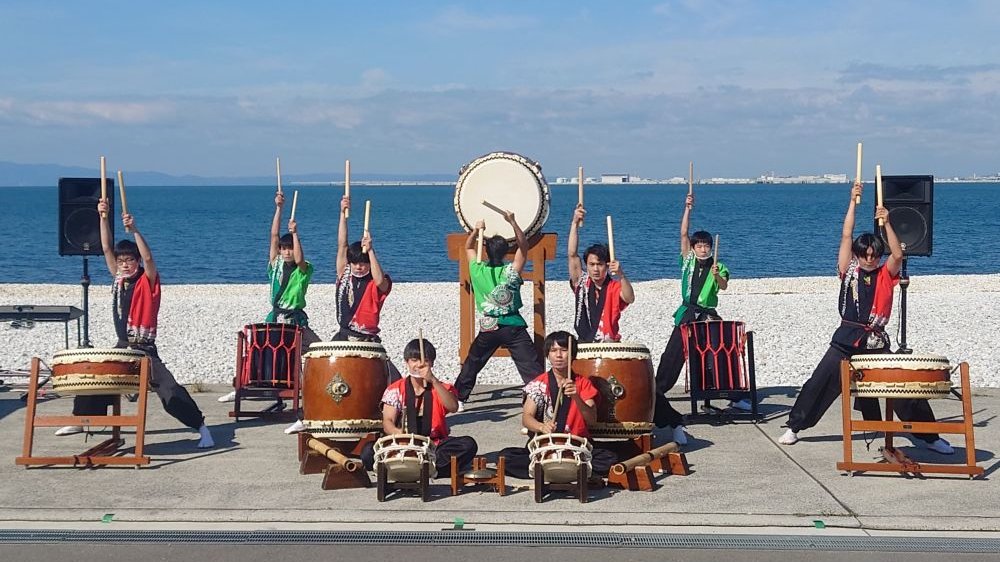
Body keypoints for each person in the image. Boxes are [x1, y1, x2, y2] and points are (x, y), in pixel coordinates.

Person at [778, 182, 953, 454]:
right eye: (864, 254)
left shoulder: (886, 273)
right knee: (819, 382)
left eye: (873, 254)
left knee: (902, 383)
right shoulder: (848, 271)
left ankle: (928, 436)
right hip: (846, 340)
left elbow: (898, 253)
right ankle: (795, 426)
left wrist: (886, 223)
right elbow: (846, 236)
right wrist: (852, 202)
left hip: (875, 341)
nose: (869, 258)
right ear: (858, 255)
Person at [56, 199, 214, 449]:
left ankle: (202, 428)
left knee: (169, 390)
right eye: (122, 261)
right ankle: (81, 421)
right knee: (96, 377)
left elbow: (149, 257)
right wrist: (104, 217)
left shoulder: (147, 281)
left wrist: (135, 230)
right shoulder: (119, 279)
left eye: (129, 259)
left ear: (136, 261)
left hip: (144, 349)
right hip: (122, 346)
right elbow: (106, 248)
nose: (124, 264)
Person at [285, 195, 398, 433]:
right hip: (343, 336)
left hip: (368, 341)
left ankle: (386, 418)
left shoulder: (378, 283)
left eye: (363, 263)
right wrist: (342, 213)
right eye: (356, 263)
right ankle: (306, 416)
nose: (359, 266)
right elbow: (342, 246)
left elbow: (378, 277)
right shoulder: (343, 275)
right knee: (323, 373)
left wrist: (371, 250)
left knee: (394, 383)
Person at [652, 192, 744, 446]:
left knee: (719, 354)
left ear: (711, 248)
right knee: (673, 354)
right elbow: (682, 234)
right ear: (693, 248)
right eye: (699, 245)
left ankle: (734, 394)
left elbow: (723, 287)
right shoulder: (688, 262)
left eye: (706, 246)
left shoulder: (719, 265)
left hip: (708, 315)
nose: (703, 249)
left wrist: (717, 275)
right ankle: (658, 390)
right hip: (687, 313)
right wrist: (687, 209)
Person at [219, 189, 318, 403]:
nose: (286, 252)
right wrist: (279, 208)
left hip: (295, 319)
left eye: (289, 249)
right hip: (275, 318)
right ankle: (242, 386)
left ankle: (311, 388)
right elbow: (273, 236)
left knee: (318, 351)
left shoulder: (304, 269)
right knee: (262, 352)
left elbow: (300, 258)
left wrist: (294, 234)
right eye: (284, 249)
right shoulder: (276, 265)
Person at [499, 331, 617, 479]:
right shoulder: (539, 383)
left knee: (608, 458)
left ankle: (546, 471)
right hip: (545, 447)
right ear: (548, 355)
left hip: (575, 446)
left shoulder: (583, 383)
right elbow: (527, 417)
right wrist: (542, 427)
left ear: (573, 354)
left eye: (564, 350)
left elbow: (591, 419)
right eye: (553, 351)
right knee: (505, 457)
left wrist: (576, 397)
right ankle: (570, 472)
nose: (559, 355)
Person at [453, 213, 544, 404]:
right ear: (505, 253)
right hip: (512, 325)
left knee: (473, 361)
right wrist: (513, 222)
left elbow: (468, 247)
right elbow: (524, 246)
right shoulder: (510, 272)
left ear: (486, 251)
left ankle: (459, 397)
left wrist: (476, 231)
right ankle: (541, 396)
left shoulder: (477, 270)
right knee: (529, 365)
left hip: (489, 325)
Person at [360, 339, 478, 475]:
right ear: (407, 362)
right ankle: (422, 467)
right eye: (414, 360)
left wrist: (433, 380)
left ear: (432, 363)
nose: (419, 365)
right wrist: (399, 435)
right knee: (368, 452)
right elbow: (388, 421)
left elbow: (453, 407)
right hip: (402, 443)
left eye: (425, 361)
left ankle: (416, 468)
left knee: (468, 445)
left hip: (433, 444)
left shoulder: (442, 388)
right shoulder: (396, 389)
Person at [567, 204, 635, 343]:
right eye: (592, 265)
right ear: (587, 266)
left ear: (607, 265)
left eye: (600, 264)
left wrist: (621, 275)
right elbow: (572, 255)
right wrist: (574, 223)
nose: (596, 269)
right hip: (585, 342)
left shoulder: (614, 286)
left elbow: (629, 298)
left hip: (609, 343)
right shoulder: (582, 282)